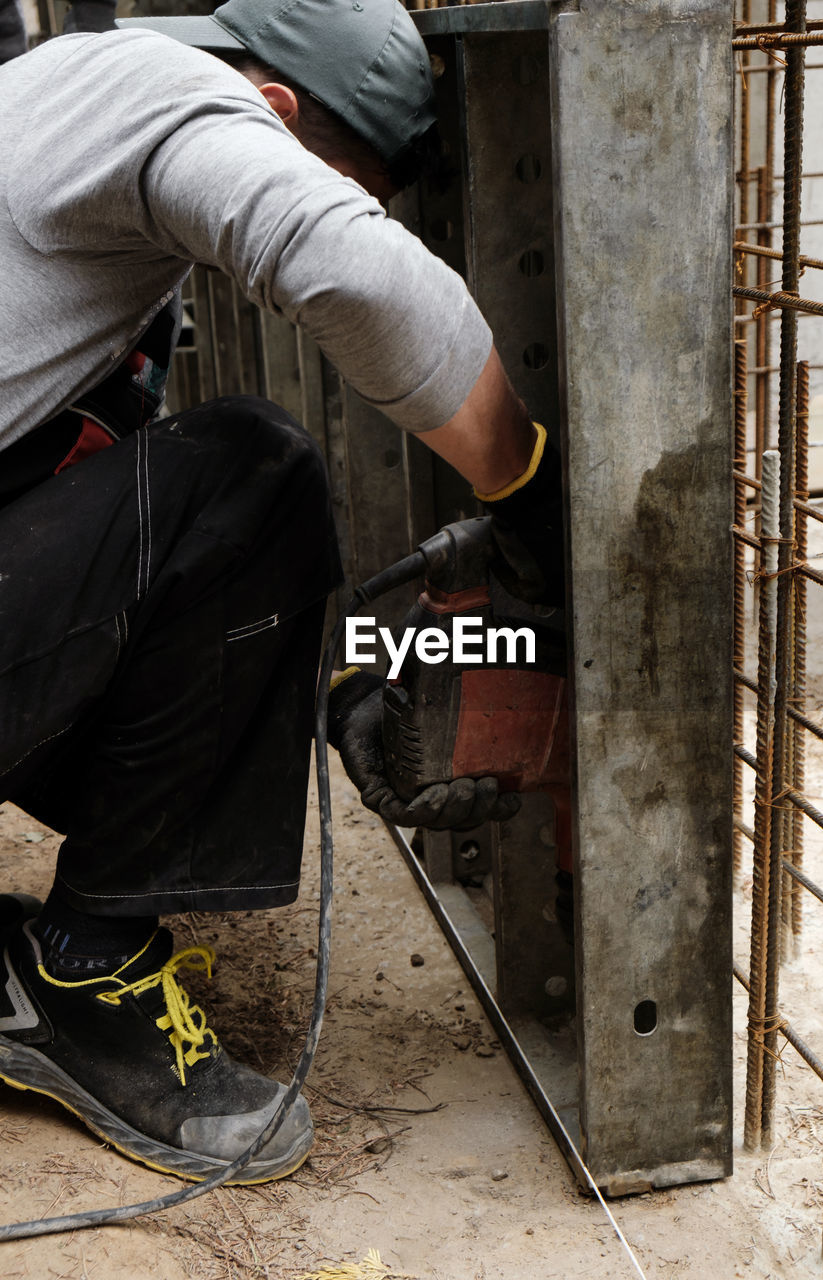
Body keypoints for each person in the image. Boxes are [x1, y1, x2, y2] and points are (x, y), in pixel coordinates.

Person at [0, 0, 564, 1185]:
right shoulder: (169, 99)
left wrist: (323, 670)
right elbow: (358, 274)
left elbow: (107, 549)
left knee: (174, 485)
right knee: (255, 471)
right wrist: (530, 497)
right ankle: (81, 973)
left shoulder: (62, 96)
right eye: (342, 179)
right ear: (274, 110)